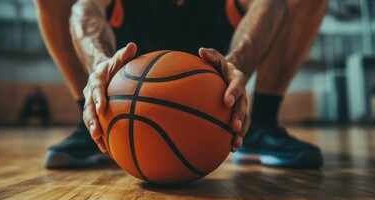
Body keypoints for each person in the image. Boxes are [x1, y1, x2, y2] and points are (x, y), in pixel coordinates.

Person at [35, 0, 326, 169]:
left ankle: (261, 124)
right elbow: (85, 8)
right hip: (126, 73)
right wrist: (99, 63)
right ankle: (94, 124)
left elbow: (270, 4)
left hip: (211, 68)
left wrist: (233, 67)